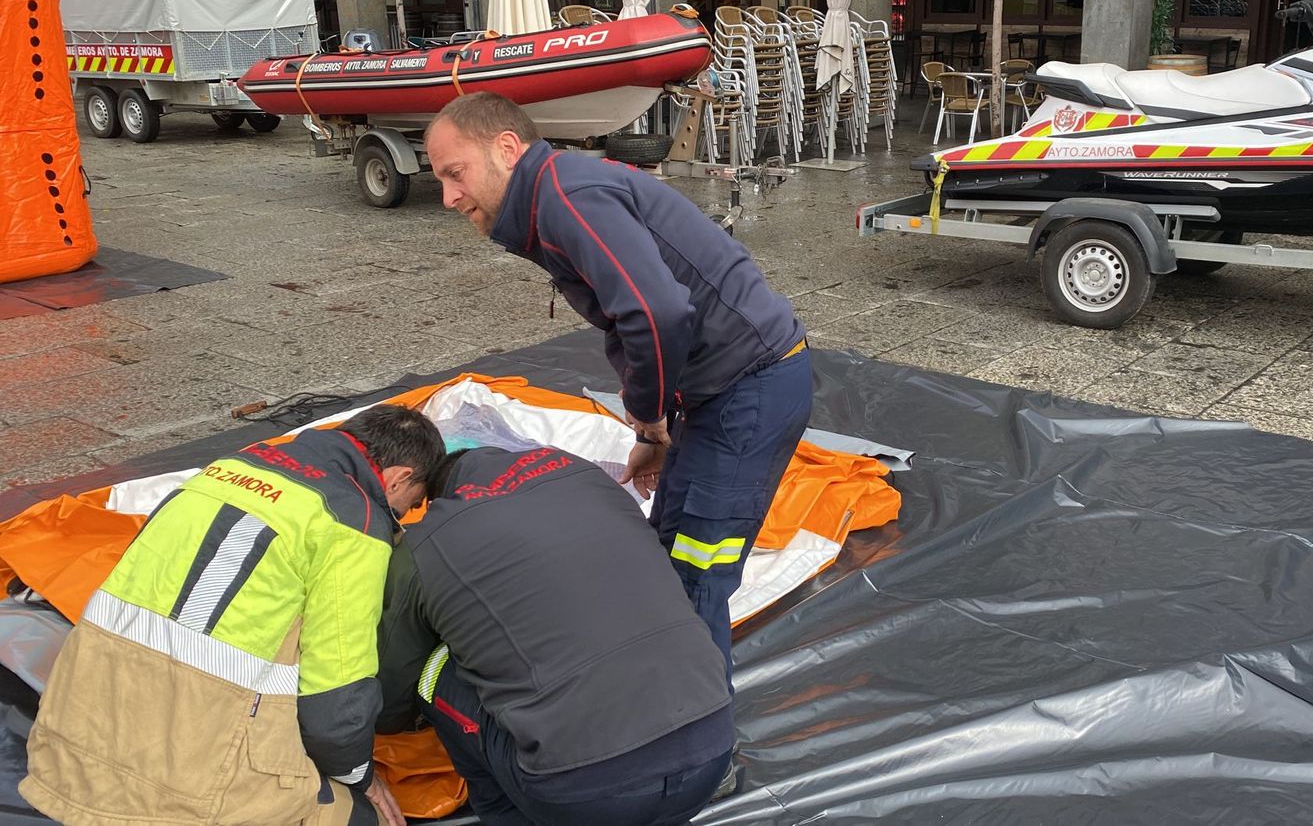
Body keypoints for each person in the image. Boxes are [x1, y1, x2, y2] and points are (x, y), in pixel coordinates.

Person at [423, 92, 813, 686]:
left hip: (751, 386)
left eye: (456, 174)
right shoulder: (552, 195)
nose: (448, 197)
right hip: (716, 391)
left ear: (506, 149)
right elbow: (643, 319)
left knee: (697, 571)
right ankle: (657, 696)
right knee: (666, 551)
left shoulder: (568, 199)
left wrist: (647, 414)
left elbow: (657, 313)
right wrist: (657, 436)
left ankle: (695, 746)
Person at [20, 404, 446, 826]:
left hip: (68, 743)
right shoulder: (353, 521)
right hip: (186, 783)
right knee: (362, 817)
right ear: (398, 478)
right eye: (408, 506)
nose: (401, 519)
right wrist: (360, 777)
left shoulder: (227, 468)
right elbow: (335, 702)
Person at [375, 446, 734, 825]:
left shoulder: (430, 540)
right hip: (711, 753)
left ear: (442, 496)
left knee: (433, 669)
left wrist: (390, 724)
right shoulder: (589, 479)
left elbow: (397, 672)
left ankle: (505, 813)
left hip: (582, 795)